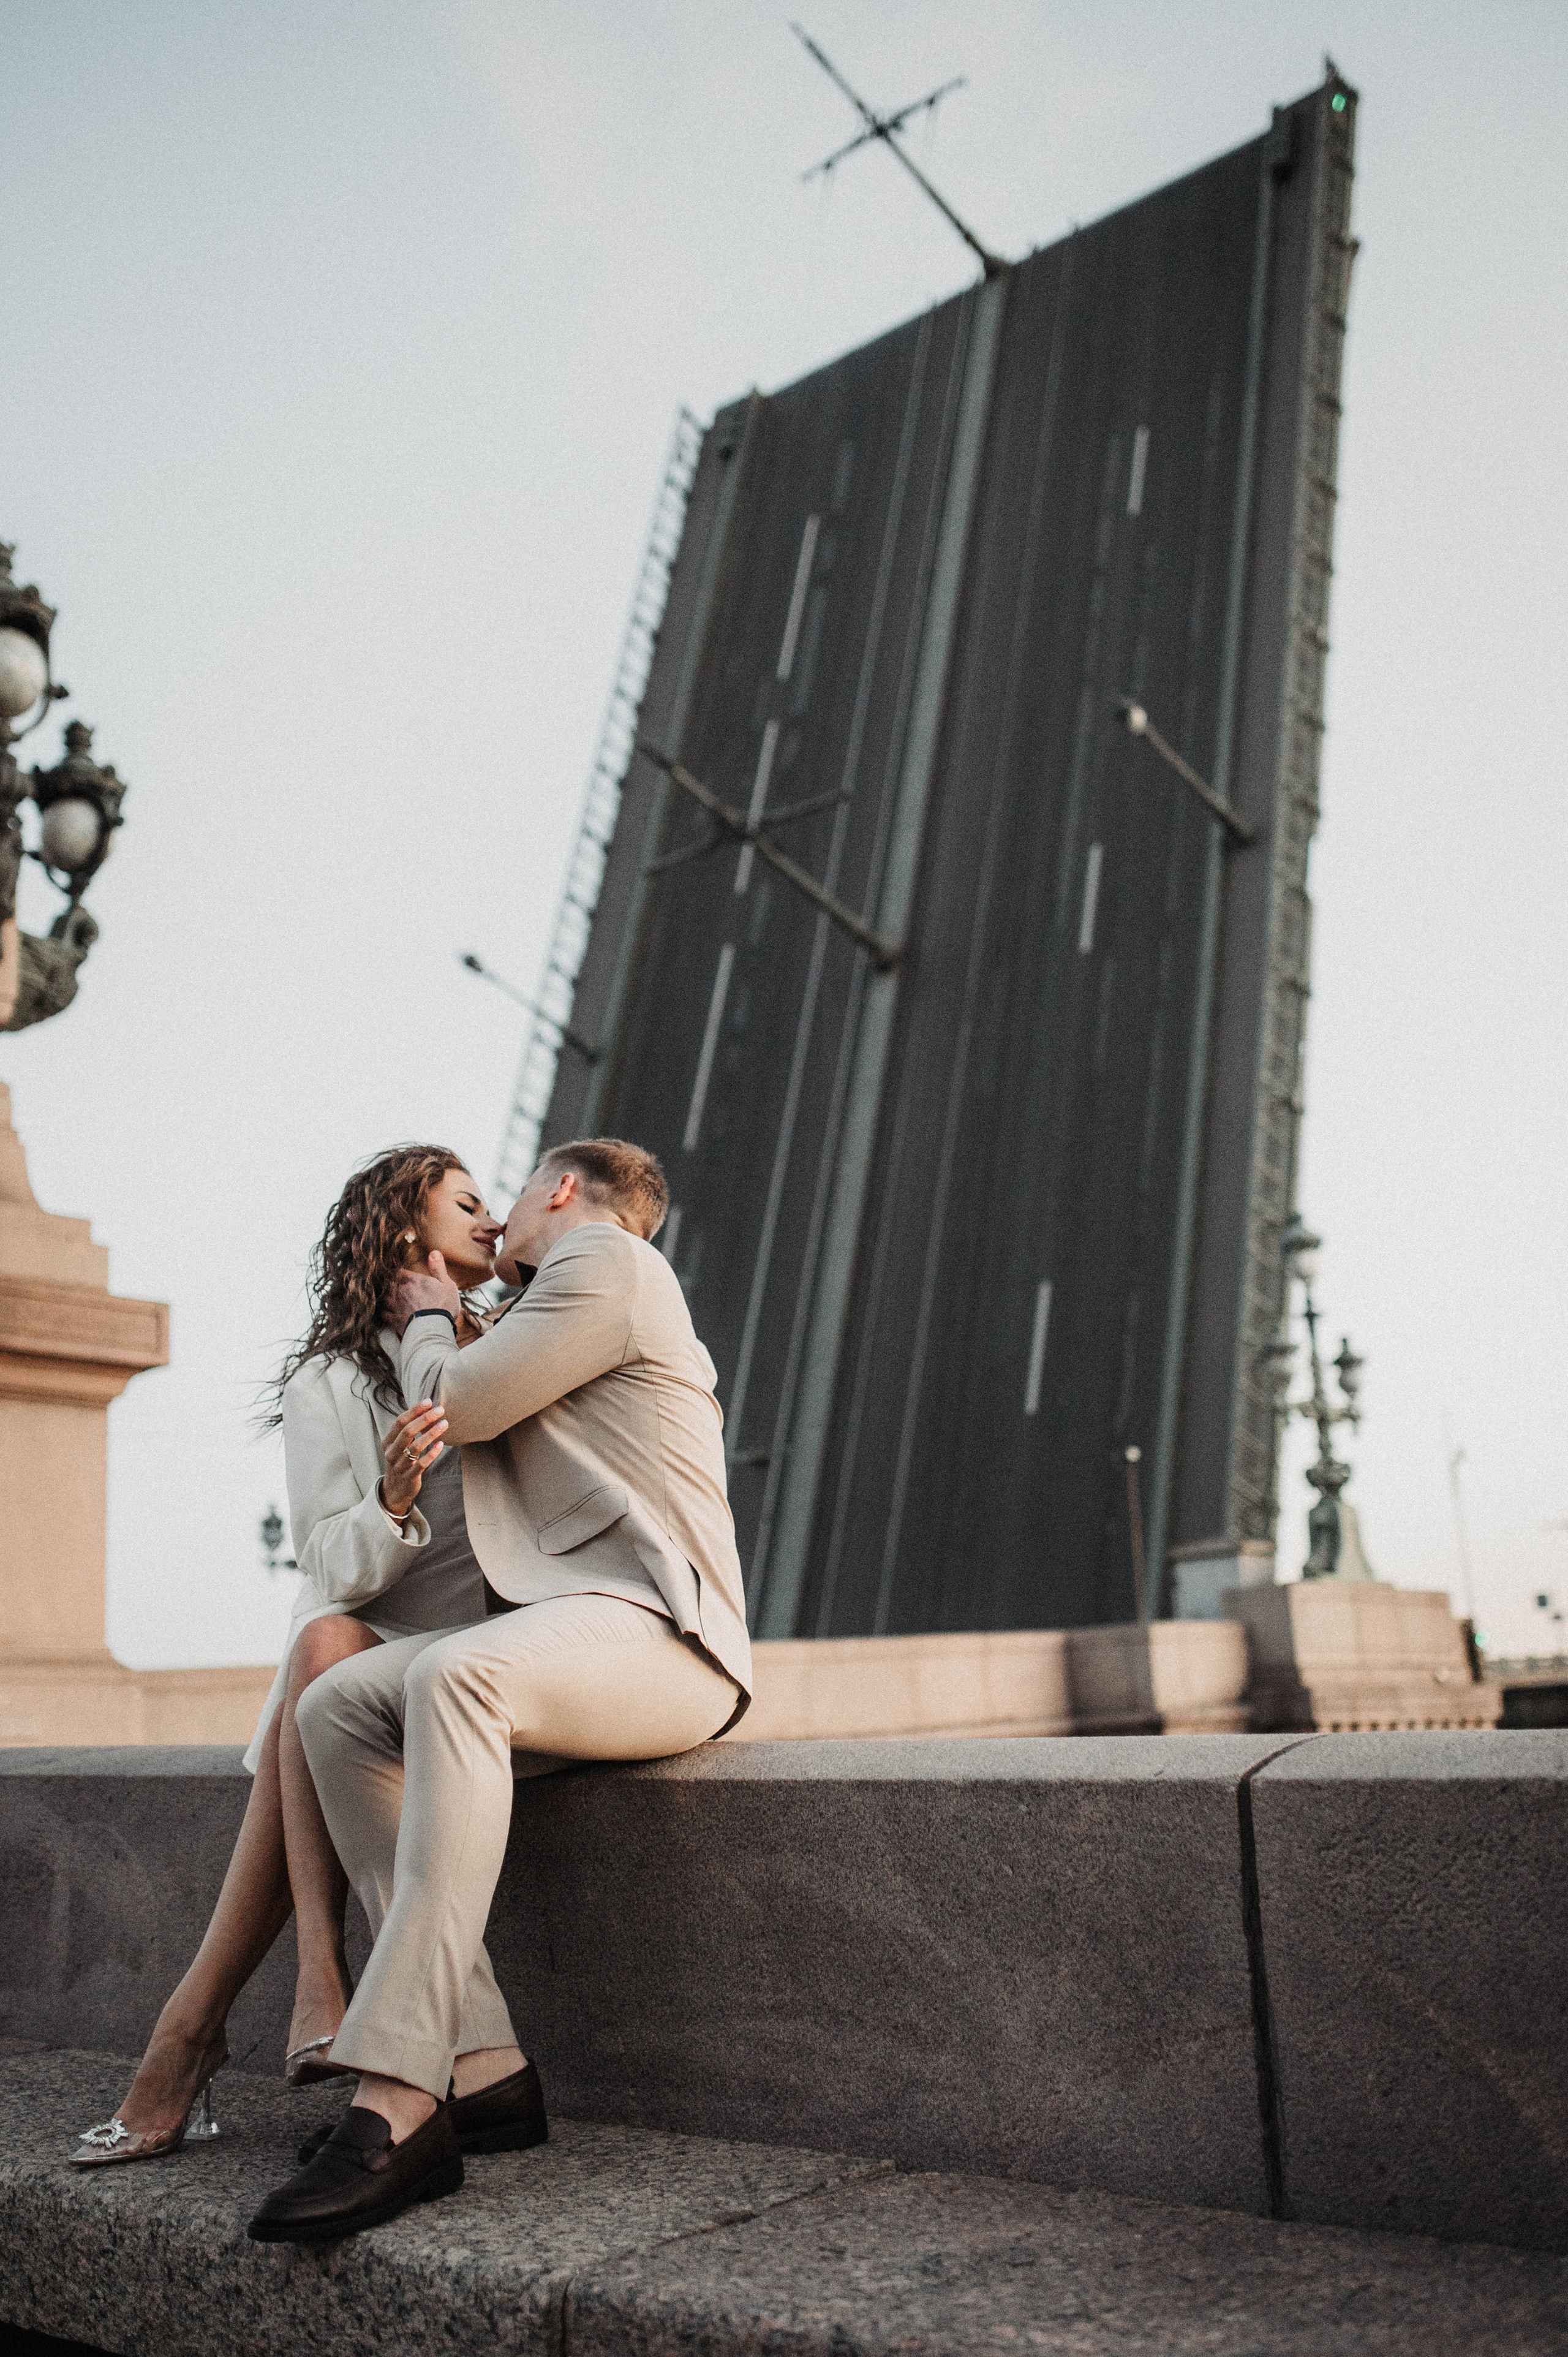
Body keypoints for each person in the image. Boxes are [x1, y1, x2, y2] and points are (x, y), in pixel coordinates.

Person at [245, 1136, 752, 2244]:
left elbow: (459, 1403)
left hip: (664, 1639)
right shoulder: (537, 1307)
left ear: (560, 1192)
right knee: (335, 1707)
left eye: (509, 1195)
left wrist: (430, 1310)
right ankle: (484, 2065)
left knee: (459, 1676)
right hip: (577, 1638)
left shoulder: (605, 1264)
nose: (497, 1222)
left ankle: (397, 2098)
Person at [72, 1146, 503, 2167]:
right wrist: (391, 1502)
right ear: (406, 1229)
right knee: (324, 1645)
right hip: (376, 1635)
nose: (494, 1220)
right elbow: (324, 1557)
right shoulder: (333, 1380)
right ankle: (303, 1978)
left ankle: (204, 2031)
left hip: (488, 1649)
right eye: (469, 1204)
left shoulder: (505, 1344)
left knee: (314, 1683)